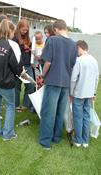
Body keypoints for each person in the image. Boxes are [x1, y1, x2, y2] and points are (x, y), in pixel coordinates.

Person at [0, 19, 27, 140]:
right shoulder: (12, 45)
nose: (14, 34)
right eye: (13, 31)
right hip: (5, 82)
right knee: (10, 106)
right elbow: (17, 66)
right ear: (10, 31)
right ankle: (8, 134)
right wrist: (23, 74)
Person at [38, 19, 77, 149]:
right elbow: (72, 64)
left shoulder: (53, 40)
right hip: (65, 82)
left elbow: (47, 61)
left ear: (55, 29)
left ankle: (45, 141)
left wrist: (42, 75)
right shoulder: (73, 44)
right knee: (60, 112)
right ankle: (56, 138)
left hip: (53, 81)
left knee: (49, 112)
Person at [70, 40, 99, 148]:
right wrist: (94, 92)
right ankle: (85, 141)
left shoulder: (79, 60)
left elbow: (73, 79)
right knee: (86, 116)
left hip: (78, 93)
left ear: (79, 48)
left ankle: (78, 141)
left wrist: (71, 92)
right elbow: (97, 79)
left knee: (78, 117)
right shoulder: (94, 60)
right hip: (89, 93)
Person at [13, 19, 35, 113]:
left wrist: (31, 52)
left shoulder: (28, 38)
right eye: (23, 30)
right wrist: (23, 47)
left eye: (26, 30)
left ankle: (26, 104)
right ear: (19, 28)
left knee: (30, 85)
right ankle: (16, 105)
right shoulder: (14, 37)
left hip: (27, 65)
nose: (25, 31)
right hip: (18, 66)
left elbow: (29, 50)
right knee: (16, 86)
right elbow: (14, 50)